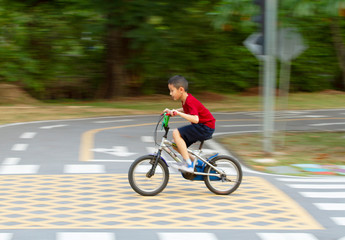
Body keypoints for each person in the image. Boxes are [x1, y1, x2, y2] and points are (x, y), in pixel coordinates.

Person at [164, 75, 216, 173]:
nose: (170, 93)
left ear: (181, 89)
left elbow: (196, 119)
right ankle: (195, 162)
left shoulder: (190, 101)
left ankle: (188, 164)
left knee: (176, 132)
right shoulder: (185, 100)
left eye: (172, 90)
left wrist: (178, 113)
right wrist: (172, 111)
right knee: (175, 144)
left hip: (205, 126)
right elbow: (186, 109)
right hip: (202, 126)